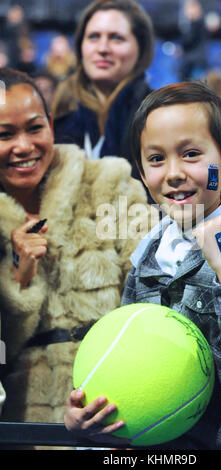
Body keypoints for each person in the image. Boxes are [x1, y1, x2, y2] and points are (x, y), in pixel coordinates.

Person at [64, 81, 221, 450]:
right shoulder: (150, 250)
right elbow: (127, 356)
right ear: (142, 174)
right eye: (156, 159)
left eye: (190, 154)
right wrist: (90, 411)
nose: (172, 172)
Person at [0, 67, 151, 428]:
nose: (24, 146)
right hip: (26, 420)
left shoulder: (109, 185)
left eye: (35, 128)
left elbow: (152, 297)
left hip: (119, 401)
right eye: (5, 134)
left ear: (51, 124)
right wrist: (19, 278)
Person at [52, 0, 154, 181]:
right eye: (93, 37)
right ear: (80, 46)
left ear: (141, 48)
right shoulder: (59, 115)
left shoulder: (159, 116)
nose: (102, 48)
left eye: (116, 38)